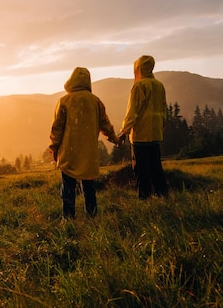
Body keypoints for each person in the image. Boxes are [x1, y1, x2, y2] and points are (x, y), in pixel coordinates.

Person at [50, 67, 120, 219]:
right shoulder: (95, 102)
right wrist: (115, 139)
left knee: (68, 187)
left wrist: (54, 148)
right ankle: (92, 216)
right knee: (89, 188)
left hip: (69, 153)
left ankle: (68, 219)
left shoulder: (64, 101)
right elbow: (105, 125)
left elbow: (57, 128)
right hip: (89, 154)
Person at [118, 55, 169, 199]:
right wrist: (161, 127)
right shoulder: (159, 86)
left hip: (140, 135)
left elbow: (133, 111)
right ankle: (163, 196)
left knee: (141, 170)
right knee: (156, 168)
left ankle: (144, 199)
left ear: (138, 68)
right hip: (155, 134)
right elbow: (164, 110)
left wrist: (124, 131)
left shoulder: (139, 86)